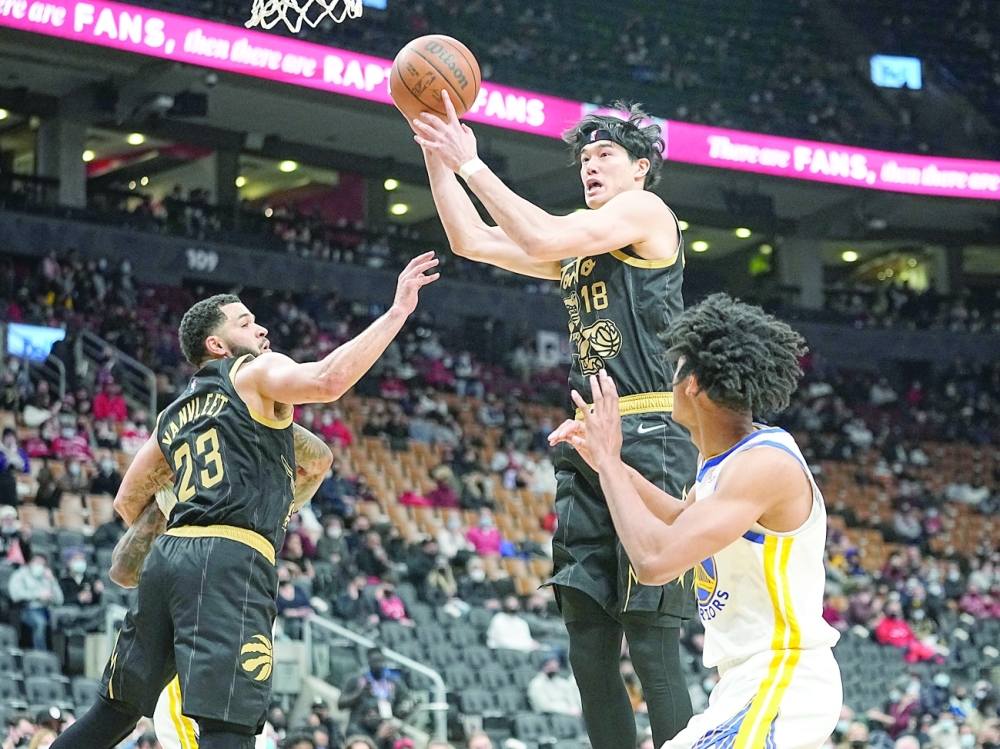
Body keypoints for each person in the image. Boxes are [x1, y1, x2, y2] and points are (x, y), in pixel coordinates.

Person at [53, 255, 438, 749]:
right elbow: (327, 381)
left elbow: (129, 499)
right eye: (246, 322)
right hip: (230, 558)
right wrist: (397, 311)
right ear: (217, 344)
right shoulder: (253, 371)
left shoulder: (174, 413)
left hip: (170, 556)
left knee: (114, 712)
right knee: (228, 727)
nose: (260, 329)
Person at [415, 96, 698, 748]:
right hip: (587, 440)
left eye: (605, 156)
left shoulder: (646, 212)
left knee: (650, 634)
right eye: (585, 159)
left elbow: (538, 234)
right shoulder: (581, 244)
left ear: (642, 168)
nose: (591, 167)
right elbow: (472, 240)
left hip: (651, 436)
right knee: (587, 634)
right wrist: (439, 158)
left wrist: (474, 164)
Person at [551, 294, 843, 748]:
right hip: (744, 683)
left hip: (782, 677)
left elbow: (654, 561)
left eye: (676, 369)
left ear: (693, 385)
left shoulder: (762, 464)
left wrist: (611, 463)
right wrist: (610, 464)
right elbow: (679, 521)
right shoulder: (724, 468)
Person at [8, 554, 64, 650]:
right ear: (30, 563)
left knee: (62, 622)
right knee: (40, 623)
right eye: (38, 563)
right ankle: (41, 653)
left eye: (43, 564)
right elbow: (16, 596)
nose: (40, 567)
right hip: (28, 609)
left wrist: (52, 581)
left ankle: (60, 657)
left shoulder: (46, 577)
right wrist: (38, 596)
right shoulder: (19, 575)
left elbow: (60, 600)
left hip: (48, 609)